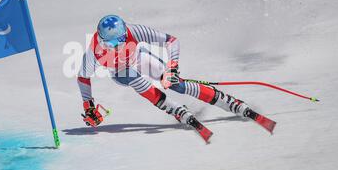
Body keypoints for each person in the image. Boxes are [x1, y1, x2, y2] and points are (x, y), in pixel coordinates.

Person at [77, 15, 272, 139]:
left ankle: (228, 102)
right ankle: (176, 110)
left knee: (175, 84)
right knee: (132, 75)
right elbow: (83, 77)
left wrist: (172, 68)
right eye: (110, 44)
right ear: (102, 41)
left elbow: (171, 41)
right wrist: (89, 105)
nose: (116, 46)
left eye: (120, 41)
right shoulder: (94, 52)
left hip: (140, 59)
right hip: (121, 72)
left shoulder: (134, 31)